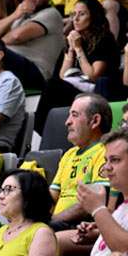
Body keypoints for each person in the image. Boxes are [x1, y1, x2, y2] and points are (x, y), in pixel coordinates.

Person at [36, 0, 119, 132]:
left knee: (53, 87)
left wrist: (79, 49)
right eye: (74, 14)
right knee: (53, 85)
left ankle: (42, 129)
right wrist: (71, 49)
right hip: (76, 89)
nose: (76, 19)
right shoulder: (75, 40)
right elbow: (63, 77)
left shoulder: (105, 40)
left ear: (94, 16)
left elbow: (93, 75)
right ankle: (44, 130)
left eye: (82, 14)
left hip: (96, 92)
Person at [0, 0, 64, 91]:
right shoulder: (22, 15)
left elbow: (17, 36)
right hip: (9, 67)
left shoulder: (51, 13)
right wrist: (15, 15)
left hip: (36, 72)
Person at [49, 94, 113, 233]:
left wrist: (51, 221)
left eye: (75, 115)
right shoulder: (69, 154)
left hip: (79, 225)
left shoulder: (105, 152)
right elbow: (52, 195)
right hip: (55, 222)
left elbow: (93, 201)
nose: (67, 122)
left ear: (94, 121)